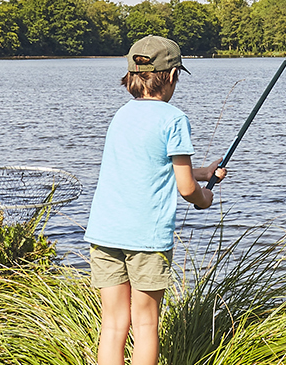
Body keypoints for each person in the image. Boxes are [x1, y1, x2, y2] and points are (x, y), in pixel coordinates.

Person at [86, 35, 225, 365]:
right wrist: (204, 197)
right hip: (145, 238)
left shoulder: (120, 117)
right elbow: (186, 188)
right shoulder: (174, 119)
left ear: (132, 76)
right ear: (173, 76)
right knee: (146, 323)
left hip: (104, 233)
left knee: (114, 325)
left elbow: (152, 164)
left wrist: (204, 172)